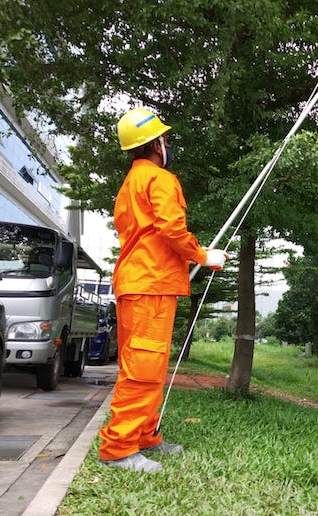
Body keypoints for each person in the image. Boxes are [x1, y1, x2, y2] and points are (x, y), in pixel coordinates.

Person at [98, 107, 227, 473]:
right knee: (143, 367)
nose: (167, 144)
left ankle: (144, 437)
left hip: (137, 283)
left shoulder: (129, 185)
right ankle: (119, 448)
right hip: (150, 285)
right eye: (165, 139)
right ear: (155, 144)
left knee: (146, 365)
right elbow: (172, 229)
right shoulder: (160, 179)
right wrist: (205, 256)